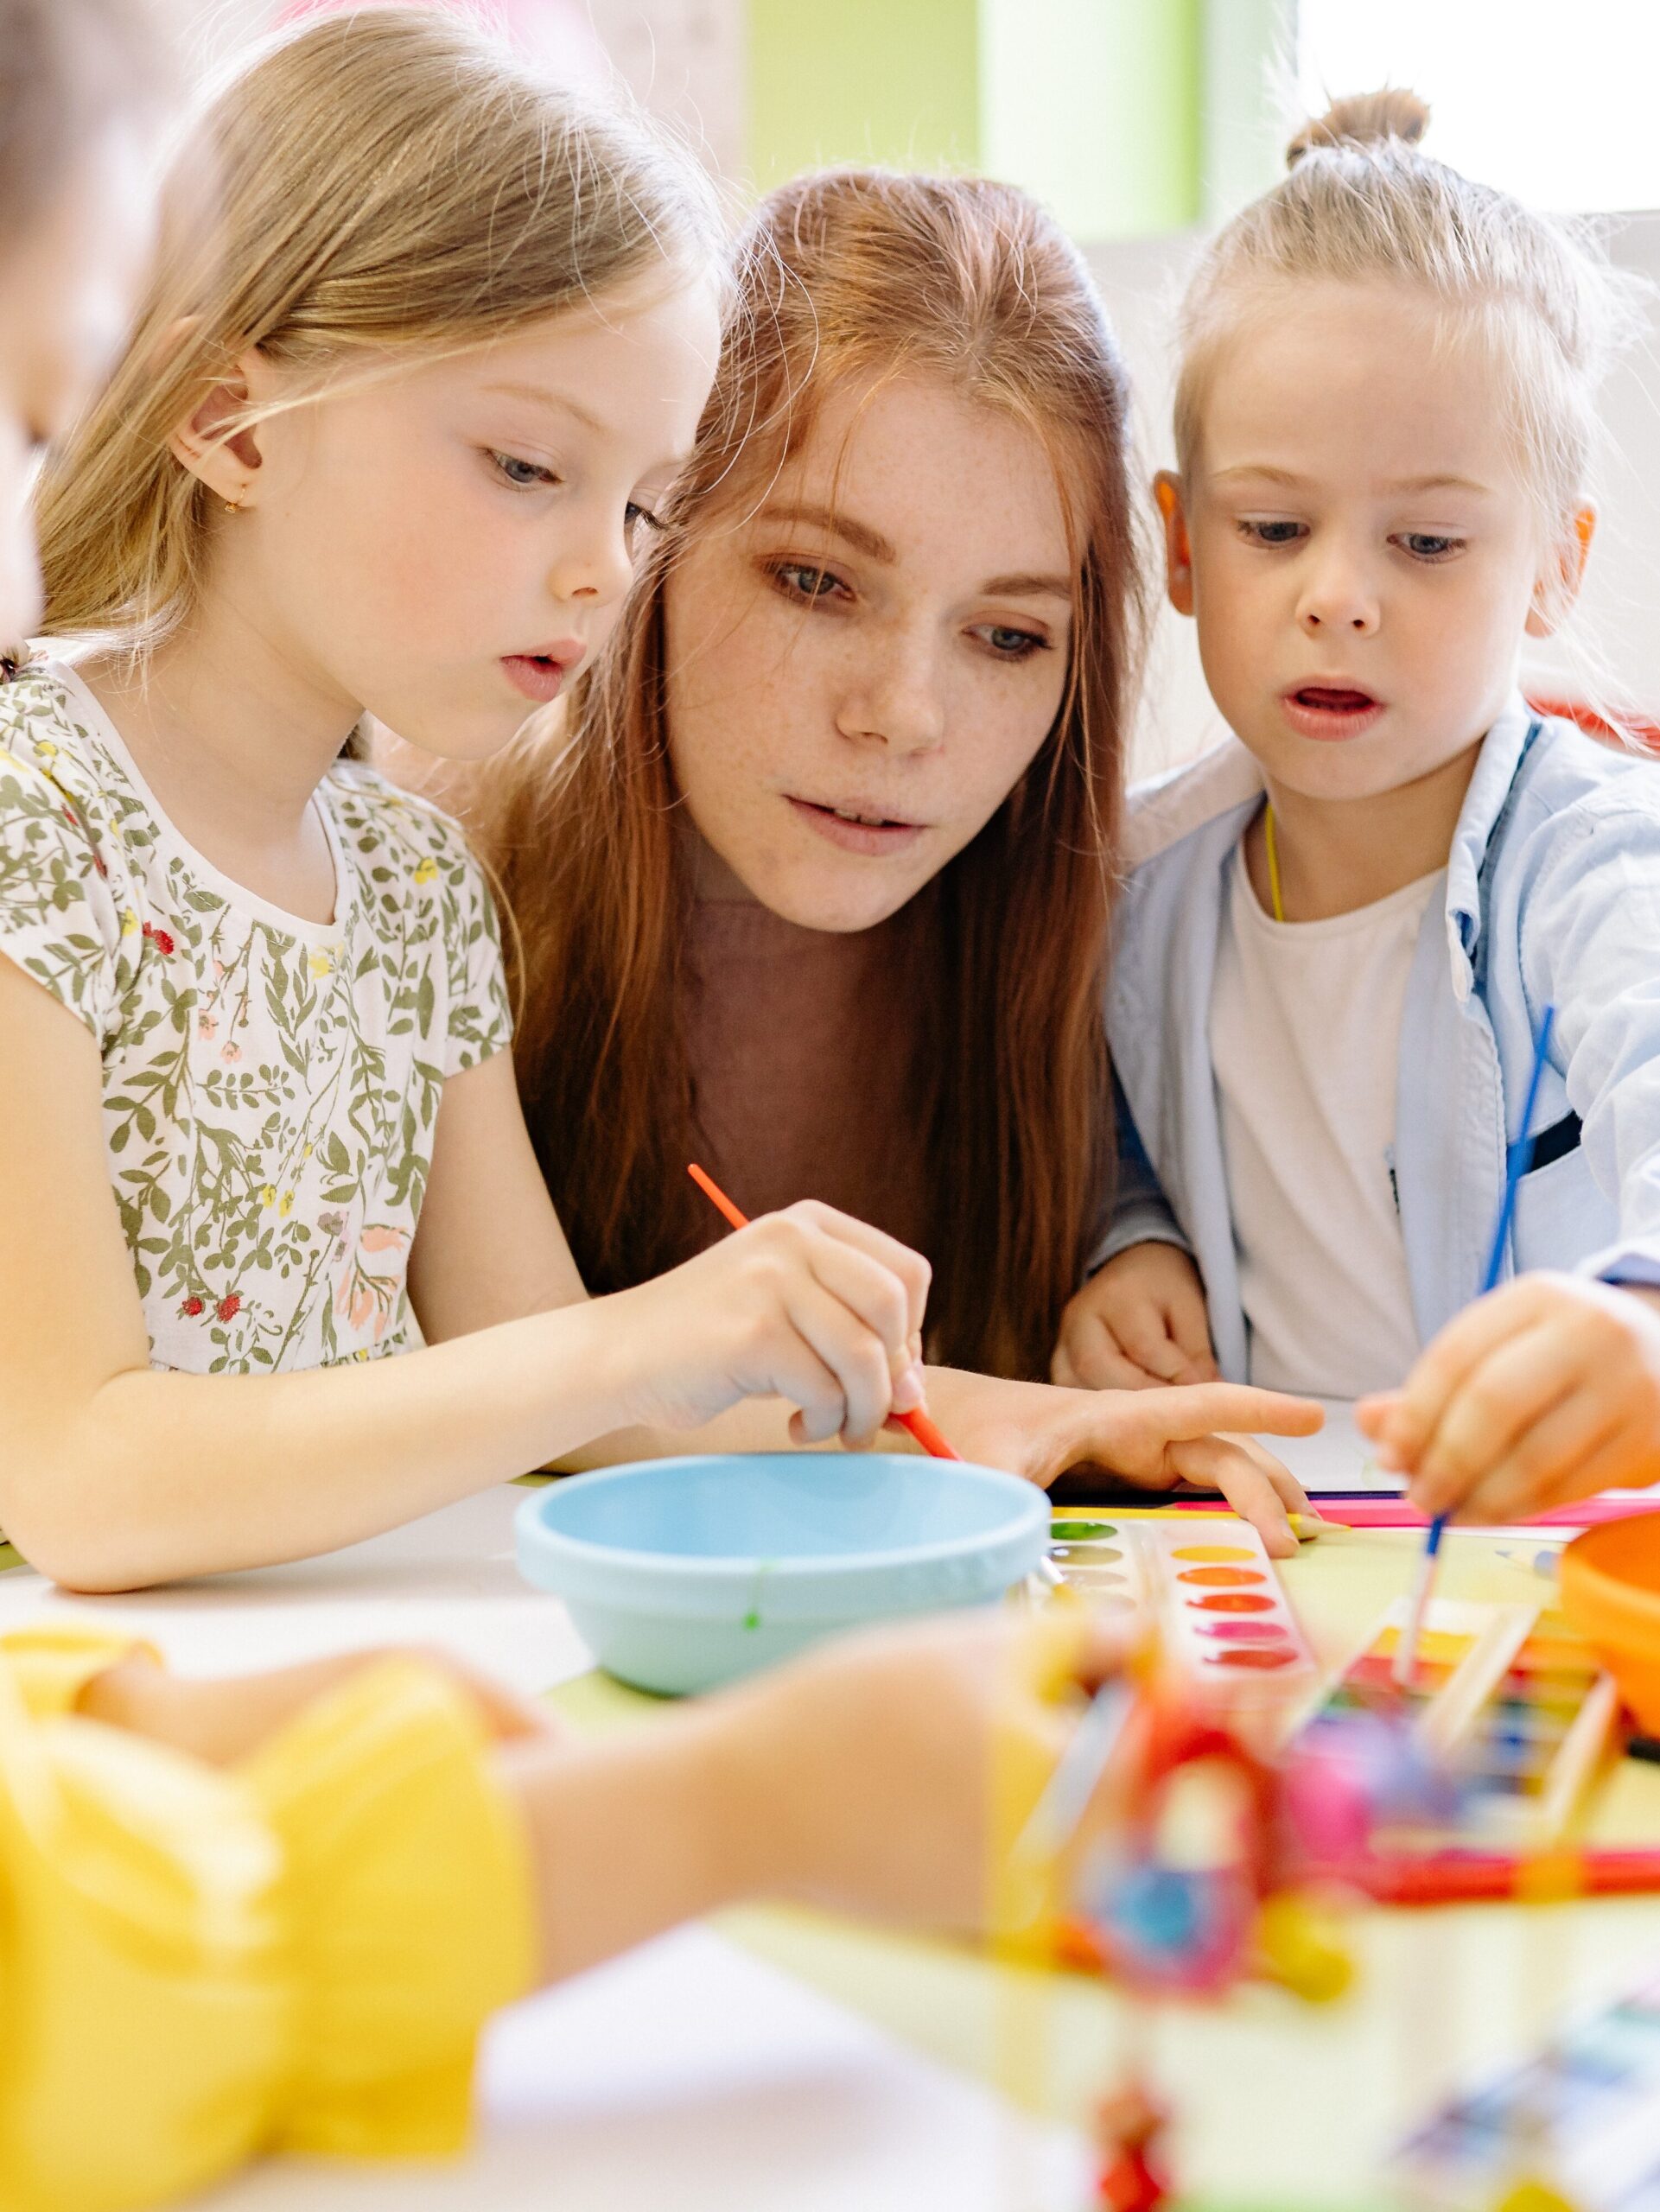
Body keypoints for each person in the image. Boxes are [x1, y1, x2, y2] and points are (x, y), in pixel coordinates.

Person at [0, 6, 1018, 1592]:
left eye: (641, 502)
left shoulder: (412, 888)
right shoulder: (31, 814)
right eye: (528, 466)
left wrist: (1064, 1425)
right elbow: (77, 1479)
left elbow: (583, 1397)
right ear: (226, 422)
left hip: (327, 1684)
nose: (605, 566)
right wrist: (623, 1351)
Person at [454, 167, 1322, 1553]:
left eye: (1008, 636)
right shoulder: (428, 891)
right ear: (651, 540)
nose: (902, 717)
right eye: (814, 581)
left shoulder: (1117, 943)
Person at [1055, 92, 1660, 1524]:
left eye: (1428, 541)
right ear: (1182, 545)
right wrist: (1124, 1243)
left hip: (1549, 1552)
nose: (1337, 594)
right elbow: (1110, 1123)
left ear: (1550, 569)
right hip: (1287, 1534)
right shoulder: (1133, 879)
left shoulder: (1595, 865)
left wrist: (1641, 1320)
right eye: (1273, 529)